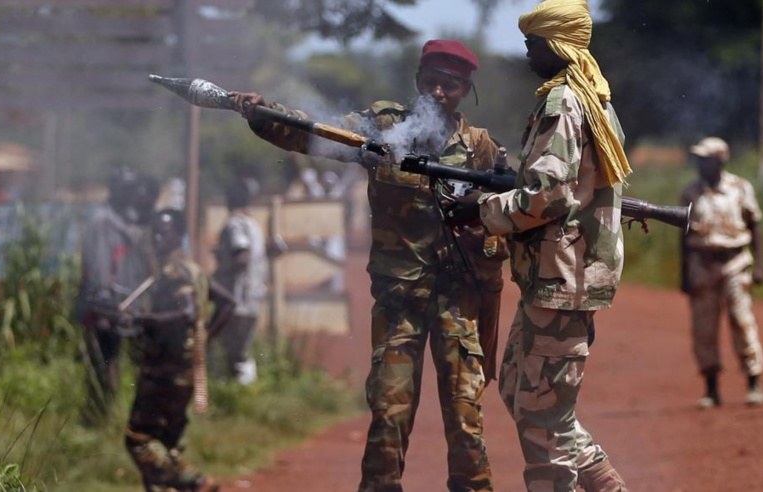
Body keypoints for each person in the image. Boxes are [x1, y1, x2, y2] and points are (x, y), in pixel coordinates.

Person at [230, 38, 506, 492]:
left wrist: (479, 214)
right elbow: (317, 134)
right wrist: (263, 115)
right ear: (418, 82)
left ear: (465, 91)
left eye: (451, 86)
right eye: (432, 82)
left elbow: (515, 211)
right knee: (390, 409)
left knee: (464, 417)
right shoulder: (380, 127)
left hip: (458, 299)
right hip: (400, 300)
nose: (439, 92)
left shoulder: (481, 150)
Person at [459, 1, 631, 489]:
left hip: (562, 278)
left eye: (533, 42)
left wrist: (482, 209)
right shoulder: (593, 99)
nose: (527, 51)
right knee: (520, 391)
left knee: (540, 418)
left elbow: (548, 196)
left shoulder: (563, 102)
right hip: (560, 278)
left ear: (557, 46)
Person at [124, 209, 235, 492]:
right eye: (156, 232)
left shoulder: (174, 272)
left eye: (166, 231)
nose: (159, 238)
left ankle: (195, 482)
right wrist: (205, 336)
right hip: (188, 368)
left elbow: (185, 313)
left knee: (138, 440)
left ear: (179, 235)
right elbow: (227, 303)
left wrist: (144, 320)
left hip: (165, 369)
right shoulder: (194, 270)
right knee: (168, 443)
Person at [680, 136, 763, 409]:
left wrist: (760, 266)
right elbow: (682, 236)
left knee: (742, 321)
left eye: (707, 159)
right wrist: (684, 274)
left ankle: (754, 383)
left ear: (720, 160)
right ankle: (711, 389)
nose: (701, 164)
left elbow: (754, 226)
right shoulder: (690, 192)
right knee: (703, 327)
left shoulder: (739, 187)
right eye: (699, 160)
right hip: (701, 264)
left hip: (735, 263)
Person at [74, 167, 160, 423]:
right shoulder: (103, 222)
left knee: (125, 364)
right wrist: (103, 306)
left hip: (127, 306)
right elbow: (100, 268)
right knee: (104, 366)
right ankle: (98, 419)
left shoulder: (127, 220)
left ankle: (121, 418)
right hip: (106, 308)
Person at [213, 176, 269, 385]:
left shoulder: (235, 224)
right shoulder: (253, 225)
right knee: (242, 350)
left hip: (236, 297)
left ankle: (235, 390)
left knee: (231, 348)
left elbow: (242, 255)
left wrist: (217, 273)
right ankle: (244, 390)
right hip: (252, 296)